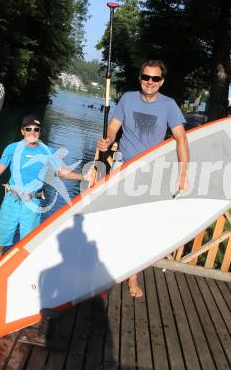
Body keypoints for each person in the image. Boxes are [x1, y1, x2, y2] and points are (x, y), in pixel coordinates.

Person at [97, 60, 189, 297]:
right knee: (114, 221)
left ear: (162, 82)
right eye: (146, 77)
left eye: (155, 79)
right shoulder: (128, 98)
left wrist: (183, 173)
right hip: (122, 165)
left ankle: (132, 277)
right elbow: (113, 128)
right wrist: (108, 140)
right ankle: (104, 276)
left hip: (150, 172)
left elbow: (181, 139)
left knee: (139, 227)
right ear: (140, 78)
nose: (150, 82)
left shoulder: (169, 105)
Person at [0, 114, 94, 267]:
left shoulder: (49, 152)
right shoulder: (12, 148)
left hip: (32, 204)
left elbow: (63, 172)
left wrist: (85, 177)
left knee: (28, 247)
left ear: (40, 132)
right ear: (22, 131)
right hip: (11, 201)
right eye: (28, 129)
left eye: (36, 129)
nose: (32, 132)